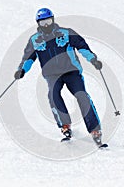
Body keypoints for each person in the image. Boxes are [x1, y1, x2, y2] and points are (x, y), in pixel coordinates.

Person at [14, 8, 104, 146]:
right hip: (52, 75)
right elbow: (28, 58)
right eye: (43, 22)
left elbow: (82, 47)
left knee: (82, 95)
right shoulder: (35, 40)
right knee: (53, 95)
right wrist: (22, 70)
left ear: (53, 20)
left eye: (48, 21)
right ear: (38, 23)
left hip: (71, 71)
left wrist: (93, 60)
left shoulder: (66, 33)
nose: (46, 25)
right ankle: (65, 126)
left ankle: (95, 130)